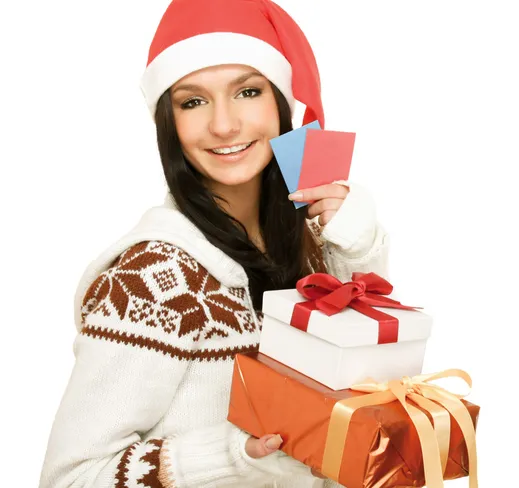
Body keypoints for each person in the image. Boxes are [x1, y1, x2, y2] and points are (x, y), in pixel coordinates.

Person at [39, 0, 389, 486]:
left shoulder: (306, 242)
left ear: (281, 105)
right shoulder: (154, 277)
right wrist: (233, 455)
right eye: (193, 101)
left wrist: (358, 251)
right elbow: (70, 478)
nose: (224, 125)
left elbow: (355, 395)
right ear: (169, 121)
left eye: (247, 91)